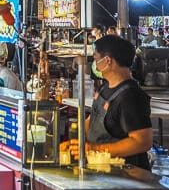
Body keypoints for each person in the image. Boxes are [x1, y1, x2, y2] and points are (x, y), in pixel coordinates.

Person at [61, 35, 152, 169]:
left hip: (126, 174)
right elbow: (92, 119)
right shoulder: (105, 86)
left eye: (96, 59)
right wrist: (75, 143)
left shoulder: (131, 96)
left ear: (108, 60)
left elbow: (142, 141)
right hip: (101, 168)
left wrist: (96, 149)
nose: (95, 63)